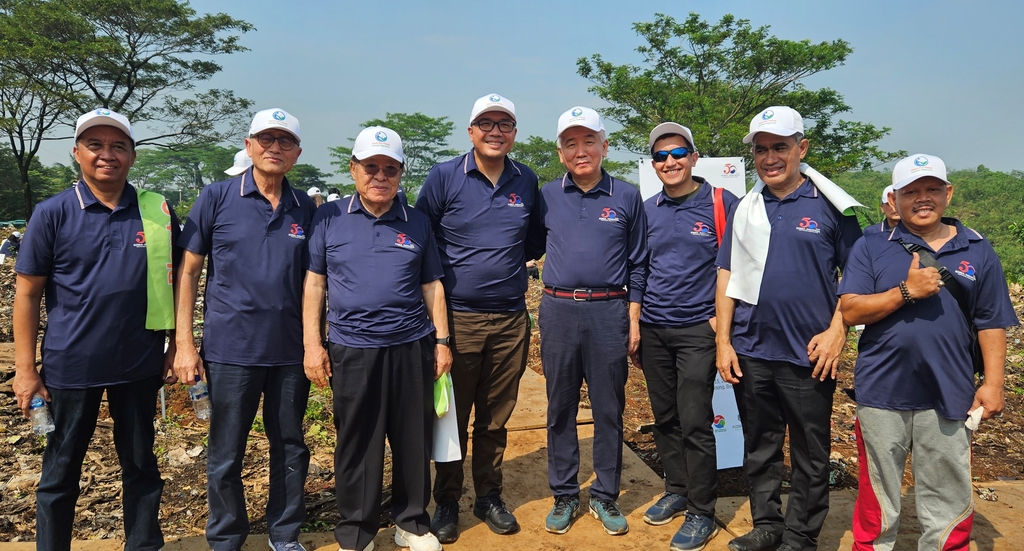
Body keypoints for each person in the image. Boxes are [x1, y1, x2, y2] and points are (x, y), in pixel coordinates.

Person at [12, 108, 180, 550]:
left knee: (142, 466)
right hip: (71, 365)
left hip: (138, 363)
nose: (107, 155)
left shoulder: (156, 213)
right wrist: (25, 369)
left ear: (133, 156)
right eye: (95, 145)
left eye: (118, 146)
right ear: (76, 153)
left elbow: (179, 279)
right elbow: (27, 294)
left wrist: (178, 346)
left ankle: (143, 544)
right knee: (61, 469)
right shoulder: (52, 214)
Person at [839, 154, 1018, 551]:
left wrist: (993, 385)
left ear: (948, 193)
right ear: (895, 198)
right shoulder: (871, 244)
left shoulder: (978, 248)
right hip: (882, 389)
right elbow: (849, 309)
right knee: (877, 497)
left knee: (947, 493)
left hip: (950, 390)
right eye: (912, 191)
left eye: (932, 189)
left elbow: (991, 321)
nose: (923, 199)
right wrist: (906, 291)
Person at [716, 106, 863, 551]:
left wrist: (839, 331)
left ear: (802, 148)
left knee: (809, 451)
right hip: (752, 347)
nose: (770, 157)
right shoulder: (747, 207)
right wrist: (723, 341)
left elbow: (858, 279)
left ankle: (801, 536)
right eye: (761, 150)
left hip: (808, 353)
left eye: (780, 147)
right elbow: (726, 274)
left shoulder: (832, 208)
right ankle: (767, 525)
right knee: (759, 445)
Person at [302, 126, 451, 551]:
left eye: (390, 168)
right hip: (351, 347)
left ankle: (412, 522)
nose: (379, 176)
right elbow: (314, 284)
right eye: (371, 167)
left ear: (401, 174)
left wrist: (442, 342)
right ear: (353, 170)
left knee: (412, 436)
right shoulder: (329, 217)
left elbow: (433, 286)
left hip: (411, 345)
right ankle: (357, 530)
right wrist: (313, 345)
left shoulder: (417, 222)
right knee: (358, 440)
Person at [174, 108, 317, 551]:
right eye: (266, 139)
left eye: (285, 142)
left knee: (291, 446)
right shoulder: (216, 197)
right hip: (230, 348)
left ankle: (285, 533)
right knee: (226, 450)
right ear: (249, 144)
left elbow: (317, 282)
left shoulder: (307, 209)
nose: (275, 148)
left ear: (296, 153)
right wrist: (183, 343)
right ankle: (226, 537)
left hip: (289, 351)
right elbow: (189, 270)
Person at [415, 93, 544, 543]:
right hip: (458, 319)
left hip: (510, 318)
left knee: (495, 416)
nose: (495, 131)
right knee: (451, 414)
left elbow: (533, 241)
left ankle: (489, 495)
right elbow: (420, 238)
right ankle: (447, 498)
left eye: (504, 123)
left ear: (514, 133)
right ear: (470, 131)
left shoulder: (526, 180)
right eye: (485, 123)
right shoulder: (444, 176)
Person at [537, 106, 647, 536]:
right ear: (561, 151)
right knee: (559, 406)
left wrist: (633, 321)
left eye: (588, 141)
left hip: (609, 311)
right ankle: (565, 492)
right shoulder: (546, 195)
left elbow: (638, 263)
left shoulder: (626, 196)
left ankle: (605, 495)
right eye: (570, 143)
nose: (579, 151)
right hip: (558, 310)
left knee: (608, 407)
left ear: (604, 145)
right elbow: (528, 243)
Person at [639, 122, 739, 551]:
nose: (670, 162)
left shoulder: (721, 202)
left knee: (696, 420)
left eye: (677, 152)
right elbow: (638, 268)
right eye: (660, 156)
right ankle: (677, 487)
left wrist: (724, 327)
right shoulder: (647, 209)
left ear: (694, 157)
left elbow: (738, 267)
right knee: (664, 417)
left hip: (699, 328)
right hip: (653, 329)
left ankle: (702, 509)